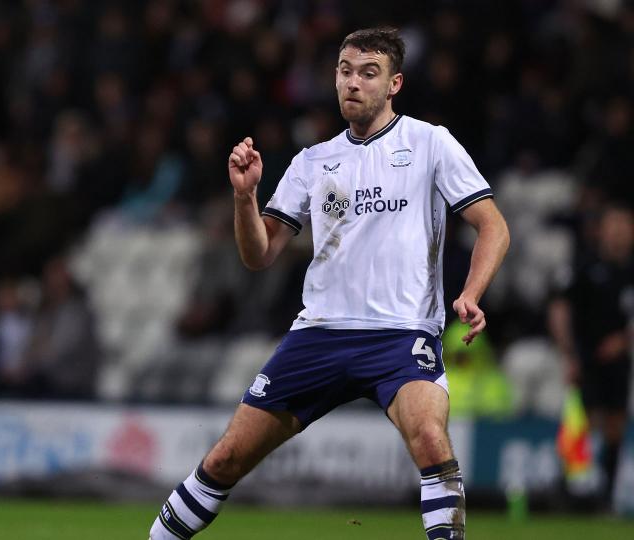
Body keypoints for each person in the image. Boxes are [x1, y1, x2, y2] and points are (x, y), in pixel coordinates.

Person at [149, 27, 510, 540]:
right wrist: (244, 199)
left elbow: (493, 225)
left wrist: (472, 292)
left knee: (431, 438)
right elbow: (259, 254)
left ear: (394, 84)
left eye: (368, 73)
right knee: (225, 457)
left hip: (399, 334)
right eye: (345, 70)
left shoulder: (430, 143)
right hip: (319, 335)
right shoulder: (311, 161)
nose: (353, 83)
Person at [548, 204, 634, 508]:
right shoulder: (584, 266)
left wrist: (623, 342)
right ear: (602, 230)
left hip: (621, 361)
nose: (619, 233)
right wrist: (569, 353)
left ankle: (605, 498)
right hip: (586, 358)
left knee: (615, 426)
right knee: (584, 423)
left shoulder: (630, 271)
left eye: (625, 226)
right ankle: (568, 492)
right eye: (614, 225)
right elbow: (560, 308)